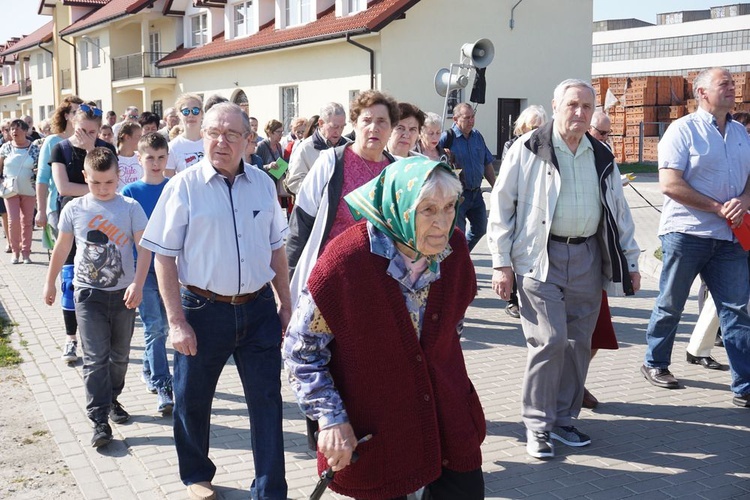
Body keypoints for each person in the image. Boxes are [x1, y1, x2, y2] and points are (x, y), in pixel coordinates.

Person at [285, 157, 485, 499]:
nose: (442, 222)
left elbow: (453, 328)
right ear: (400, 207)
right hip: (378, 424)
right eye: (428, 210)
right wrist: (331, 419)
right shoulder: (345, 261)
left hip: (447, 416)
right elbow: (301, 351)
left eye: (450, 207)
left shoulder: (455, 249)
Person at [140, 102, 290, 500]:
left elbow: (277, 248)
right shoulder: (183, 186)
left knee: (267, 401)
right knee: (192, 399)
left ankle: (271, 488)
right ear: (201, 134)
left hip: (258, 310)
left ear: (247, 141)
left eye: (231, 134)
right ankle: (197, 476)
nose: (220, 141)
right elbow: (164, 256)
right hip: (202, 311)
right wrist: (175, 322)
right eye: (213, 133)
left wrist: (286, 303)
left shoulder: (262, 184)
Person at [488, 79, 641, 459]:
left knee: (577, 345)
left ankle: (563, 420)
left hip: (588, 257)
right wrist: (501, 263)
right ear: (555, 106)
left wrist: (632, 259)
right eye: (573, 105)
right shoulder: (529, 149)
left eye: (587, 107)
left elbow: (619, 213)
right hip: (539, 257)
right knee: (550, 341)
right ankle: (537, 426)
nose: (580, 113)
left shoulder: (601, 155)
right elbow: (502, 207)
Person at [641, 67, 750, 410]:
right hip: (687, 234)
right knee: (671, 302)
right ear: (702, 93)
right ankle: (655, 363)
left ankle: (744, 385)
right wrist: (719, 207)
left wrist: (743, 202)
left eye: (733, 83)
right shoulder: (682, 130)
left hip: (730, 238)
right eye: (725, 84)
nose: (733, 88)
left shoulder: (741, 134)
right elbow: (670, 184)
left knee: (737, 310)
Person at [43, 147, 150, 448]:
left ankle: (112, 399)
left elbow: (144, 249)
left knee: (119, 357)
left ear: (118, 177)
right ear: (85, 177)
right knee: (94, 359)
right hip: (88, 294)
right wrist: (49, 282)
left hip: (123, 295)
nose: (103, 189)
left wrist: (138, 285)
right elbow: (62, 249)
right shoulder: (74, 209)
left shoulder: (130, 207)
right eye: (96, 183)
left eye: (109, 183)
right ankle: (99, 419)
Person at [287, 89, 399, 306]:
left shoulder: (396, 171)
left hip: (380, 285)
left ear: (391, 127)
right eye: (366, 120)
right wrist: (289, 286)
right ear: (355, 124)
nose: (373, 127)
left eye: (382, 121)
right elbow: (300, 225)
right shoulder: (330, 163)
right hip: (331, 280)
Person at [51, 103, 118, 364]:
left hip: (104, 223)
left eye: (92, 132)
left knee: (102, 278)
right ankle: (70, 338)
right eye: (82, 130)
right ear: (73, 123)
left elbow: (113, 187)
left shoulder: (106, 149)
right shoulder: (61, 148)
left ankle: (103, 336)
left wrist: (92, 151)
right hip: (72, 222)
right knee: (70, 280)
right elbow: (63, 187)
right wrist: (98, 188)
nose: (86, 135)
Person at [121, 132, 172, 414]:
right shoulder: (130, 193)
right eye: (150, 158)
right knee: (154, 327)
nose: (155, 163)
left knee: (164, 326)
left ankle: (150, 369)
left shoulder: (174, 187)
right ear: (139, 158)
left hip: (170, 269)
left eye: (161, 157)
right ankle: (163, 384)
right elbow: (125, 235)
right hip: (143, 270)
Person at [499, 104, 549, 320]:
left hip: (538, 209)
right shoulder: (512, 146)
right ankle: (513, 299)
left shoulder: (548, 147)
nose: (535, 131)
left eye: (540, 127)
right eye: (531, 127)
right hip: (517, 205)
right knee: (512, 251)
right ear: (522, 127)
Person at [438, 103, 496, 251]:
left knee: (480, 229)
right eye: (467, 118)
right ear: (456, 119)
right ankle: (458, 262)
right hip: (457, 196)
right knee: (458, 234)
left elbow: (486, 163)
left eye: (473, 117)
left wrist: (496, 187)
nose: (471, 121)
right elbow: (433, 158)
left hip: (476, 194)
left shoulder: (477, 136)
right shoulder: (447, 138)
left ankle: (462, 256)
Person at [36, 96, 84, 252]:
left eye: (81, 112)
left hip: (84, 204)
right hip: (57, 206)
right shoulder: (52, 142)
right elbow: (42, 179)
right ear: (66, 115)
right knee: (65, 253)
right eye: (75, 112)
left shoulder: (87, 140)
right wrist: (41, 211)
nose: (79, 115)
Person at [285, 102, 348, 195]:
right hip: (317, 207)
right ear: (321, 123)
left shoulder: (349, 146)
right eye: (334, 127)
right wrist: (323, 194)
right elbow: (294, 183)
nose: (338, 132)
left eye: (342, 127)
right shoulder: (305, 148)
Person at [0, 119, 40, 264]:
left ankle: (26, 253)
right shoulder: (5, 147)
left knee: (27, 221)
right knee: (13, 220)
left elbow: (40, 169)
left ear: (25, 131)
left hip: (28, 189)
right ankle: (15, 252)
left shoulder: (34, 148)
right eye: (12, 129)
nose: (14, 132)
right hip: (10, 189)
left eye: (17, 129)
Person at [165, 94, 204, 177]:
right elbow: (168, 181)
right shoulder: (172, 147)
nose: (191, 115)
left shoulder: (211, 142)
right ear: (179, 115)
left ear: (201, 113)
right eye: (186, 111)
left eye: (195, 110)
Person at [116, 122, 143, 190]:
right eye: (138, 137)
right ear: (127, 137)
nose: (141, 140)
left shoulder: (141, 157)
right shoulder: (112, 157)